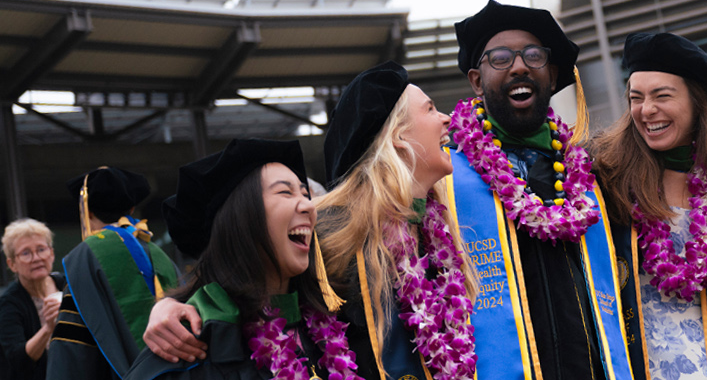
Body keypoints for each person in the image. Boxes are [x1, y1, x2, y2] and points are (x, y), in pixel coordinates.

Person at [445, 0, 629, 380]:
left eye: (533, 55)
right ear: (477, 80)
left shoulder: (591, 177)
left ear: (552, 74)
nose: (519, 66)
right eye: (499, 58)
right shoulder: (446, 177)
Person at [591, 32, 707, 380]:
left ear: (697, 102)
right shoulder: (609, 182)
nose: (646, 110)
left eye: (662, 96)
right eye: (636, 98)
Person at [124, 138, 357, 379]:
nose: (310, 206)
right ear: (240, 221)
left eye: (305, 194)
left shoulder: (337, 322)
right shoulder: (192, 347)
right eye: (285, 192)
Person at [314, 60, 479, 380]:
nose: (446, 118)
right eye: (430, 109)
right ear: (399, 137)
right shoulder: (329, 234)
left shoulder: (435, 235)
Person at [47, 167, 179, 379]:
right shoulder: (162, 257)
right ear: (132, 208)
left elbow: (72, 351)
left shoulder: (85, 258)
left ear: (87, 211)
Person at [1, 219, 64, 380]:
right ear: (12, 264)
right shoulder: (8, 303)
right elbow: (17, 360)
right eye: (26, 253)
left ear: (51, 253)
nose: (36, 258)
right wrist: (48, 328)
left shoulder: (67, 286)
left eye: (41, 249)